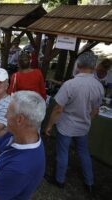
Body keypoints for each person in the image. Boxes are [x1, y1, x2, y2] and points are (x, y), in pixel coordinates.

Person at [45, 51, 104, 193]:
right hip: (83, 126)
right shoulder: (99, 86)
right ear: (94, 67)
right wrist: (86, 119)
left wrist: (49, 125)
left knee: (63, 152)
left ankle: (60, 180)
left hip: (66, 126)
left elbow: (58, 109)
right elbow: (95, 111)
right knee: (83, 152)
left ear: (78, 65)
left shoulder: (70, 84)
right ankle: (89, 182)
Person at [0, 91, 46, 200]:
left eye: (8, 112)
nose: (5, 115)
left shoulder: (21, 168)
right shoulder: (15, 134)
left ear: (19, 120)